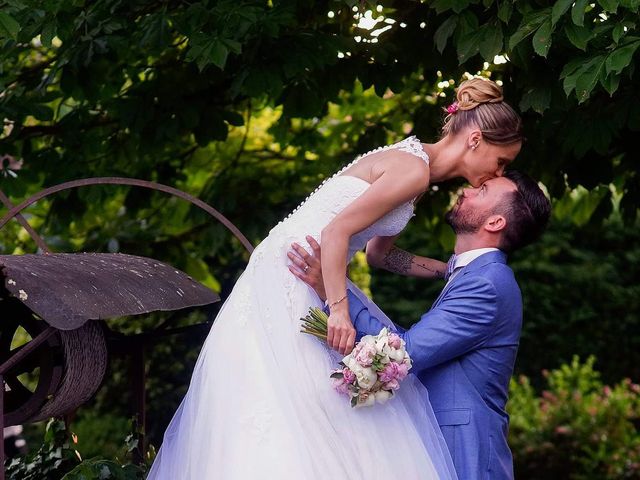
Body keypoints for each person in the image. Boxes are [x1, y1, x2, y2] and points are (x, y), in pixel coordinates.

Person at [148, 77, 523, 479]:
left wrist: (449, 271)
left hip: (310, 266)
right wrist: (339, 310)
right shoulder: (413, 170)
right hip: (300, 268)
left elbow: (381, 255)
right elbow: (334, 233)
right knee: (298, 403)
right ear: (475, 140)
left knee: (304, 403)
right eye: (501, 162)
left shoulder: (418, 174)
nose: (495, 174)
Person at [289, 170, 551, 479]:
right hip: (442, 441)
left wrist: (334, 291)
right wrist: (414, 178)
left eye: (482, 190)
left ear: (495, 223)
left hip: (465, 450)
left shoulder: (487, 284)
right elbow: (379, 255)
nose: (467, 191)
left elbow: (404, 351)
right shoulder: (469, 272)